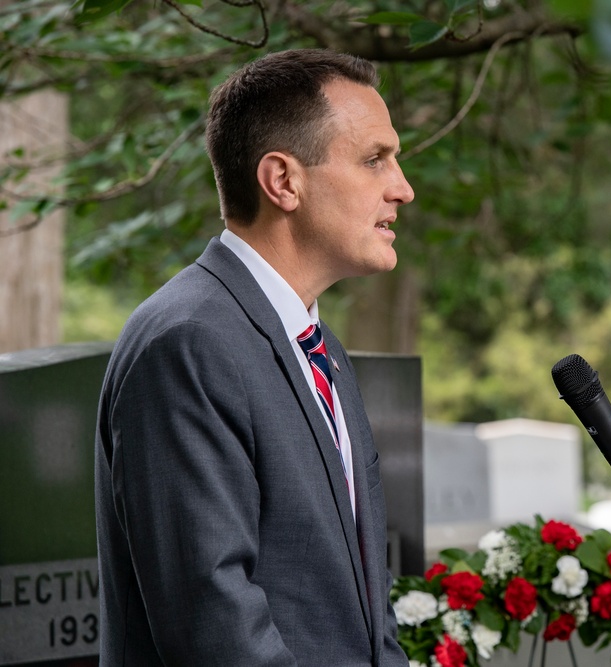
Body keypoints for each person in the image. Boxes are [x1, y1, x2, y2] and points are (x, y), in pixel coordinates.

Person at [94, 49, 415, 665]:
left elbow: (371, 619)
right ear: (284, 181)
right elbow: (214, 628)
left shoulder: (319, 349)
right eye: (375, 159)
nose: (402, 187)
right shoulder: (187, 342)